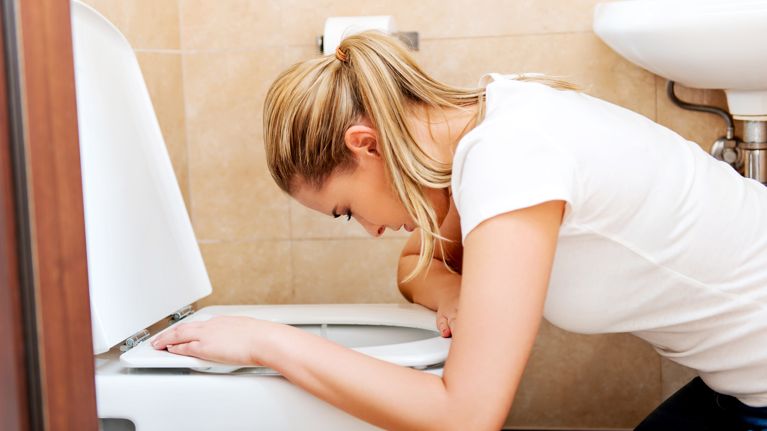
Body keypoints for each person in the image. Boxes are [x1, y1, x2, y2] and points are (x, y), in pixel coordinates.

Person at [152, 31, 767, 430]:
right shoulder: (485, 121)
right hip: (740, 389)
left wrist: (268, 342)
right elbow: (419, 261)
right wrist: (451, 292)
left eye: (345, 210)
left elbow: (467, 417)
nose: (367, 231)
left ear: (365, 147)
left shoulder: (509, 157)